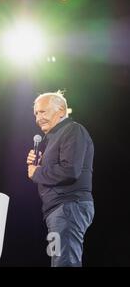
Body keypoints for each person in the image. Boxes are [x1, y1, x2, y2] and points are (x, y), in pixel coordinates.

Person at [26, 91, 94, 267]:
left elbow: (70, 170)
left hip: (69, 206)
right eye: (36, 113)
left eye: (43, 111)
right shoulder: (53, 138)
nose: (38, 118)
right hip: (56, 210)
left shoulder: (72, 130)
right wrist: (40, 165)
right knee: (59, 261)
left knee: (64, 262)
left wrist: (37, 172)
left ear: (61, 111)